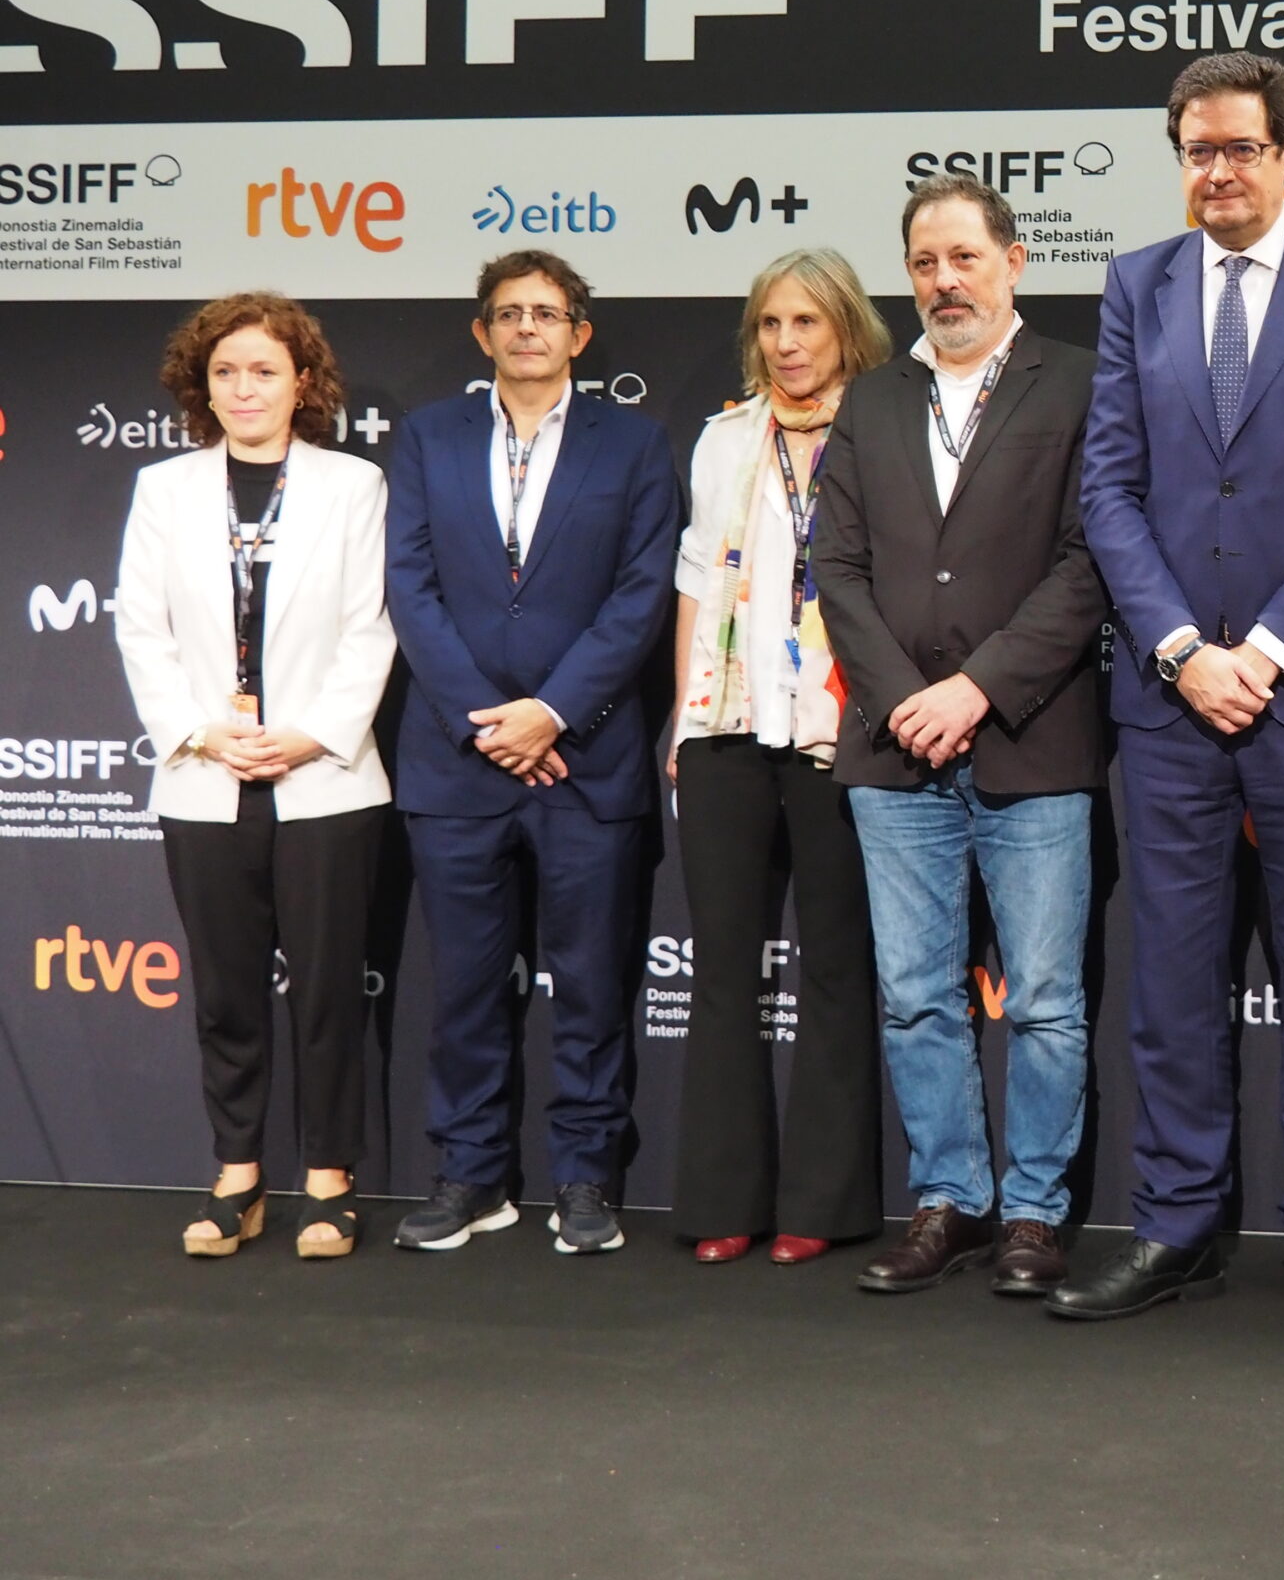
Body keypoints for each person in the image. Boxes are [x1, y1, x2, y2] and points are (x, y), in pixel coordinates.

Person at [1060, 52, 1284, 1334]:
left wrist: (1260, 652)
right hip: (1168, 704)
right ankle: (1174, 1226)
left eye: (1239, 149)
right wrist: (1178, 651)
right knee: (1171, 985)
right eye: (1197, 150)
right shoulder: (1136, 284)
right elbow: (1109, 489)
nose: (1217, 171)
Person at [815, 176, 1108, 1300]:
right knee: (916, 997)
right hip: (895, 752)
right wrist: (906, 698)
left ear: (1014, 262)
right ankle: (949, 1200)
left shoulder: (1078, 383)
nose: (945, 281)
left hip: (1032, 740)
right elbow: (836, 565)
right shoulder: (873, 399)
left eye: (964, 258)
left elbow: (1091, 561)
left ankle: (1033, 1212)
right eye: (925, 263)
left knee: (1043, 1002)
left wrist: (976, 689)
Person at [384, 249, 679, 1257]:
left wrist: (552, 713)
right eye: (508, 313)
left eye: (546, 313)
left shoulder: (634, 443)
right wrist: (489, 721)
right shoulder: (429, 437)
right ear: (483, 333)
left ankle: (586, 1178)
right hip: (455, 764)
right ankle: (471, 1176)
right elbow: (410, 587)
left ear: (578, 334)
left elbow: (641, 593)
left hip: (584, 763)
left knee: (591, 988)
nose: (526, 328)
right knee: (466, 989)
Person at [115, 294, 395, 1260]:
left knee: (326, 991)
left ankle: (329, 1179)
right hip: (207, 777)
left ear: (301, 383)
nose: (245, 389)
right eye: (226, 372)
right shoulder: (164, 489)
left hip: (326, 781)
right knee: (226, 993)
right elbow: (139, 628)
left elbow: (371, 628)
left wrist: (311, 736)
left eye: (264, 371)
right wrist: (201, 734)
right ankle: (237, 1175)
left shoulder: (353, 485)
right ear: (203, 386)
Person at [669, 249, 893, 1266]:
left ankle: (821, 1202)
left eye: (807, 322)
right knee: (723, 969)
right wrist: (684, 718)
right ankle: (723, 1198)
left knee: (837, 967)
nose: (788, 343)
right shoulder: (725, 439)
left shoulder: (885, 427)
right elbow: (693, 578)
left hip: (841, 734)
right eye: (771, 324)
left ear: (846, 328)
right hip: (726, 728)